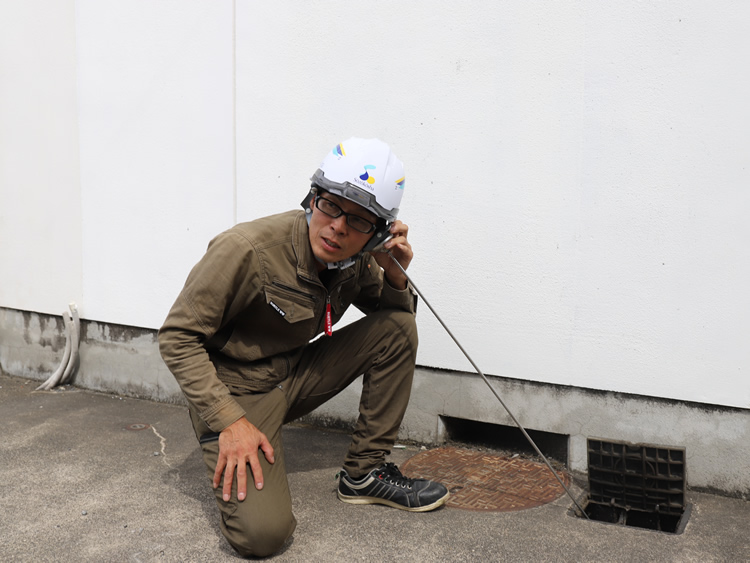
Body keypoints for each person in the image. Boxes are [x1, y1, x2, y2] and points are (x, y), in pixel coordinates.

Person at [158, 137, 449, 558]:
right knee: (262, 536)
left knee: (398, 328)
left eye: (359, 220)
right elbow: (177, 336)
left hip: (293, 376)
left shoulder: (356, 260)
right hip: (238, 395)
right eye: (330, 205)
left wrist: (394, 274)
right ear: (312, 199)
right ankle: (237, 431)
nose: (338, 227)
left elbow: (393, 323)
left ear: (378, 233)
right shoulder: (247, 249)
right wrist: (229, 422)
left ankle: (364, 474)